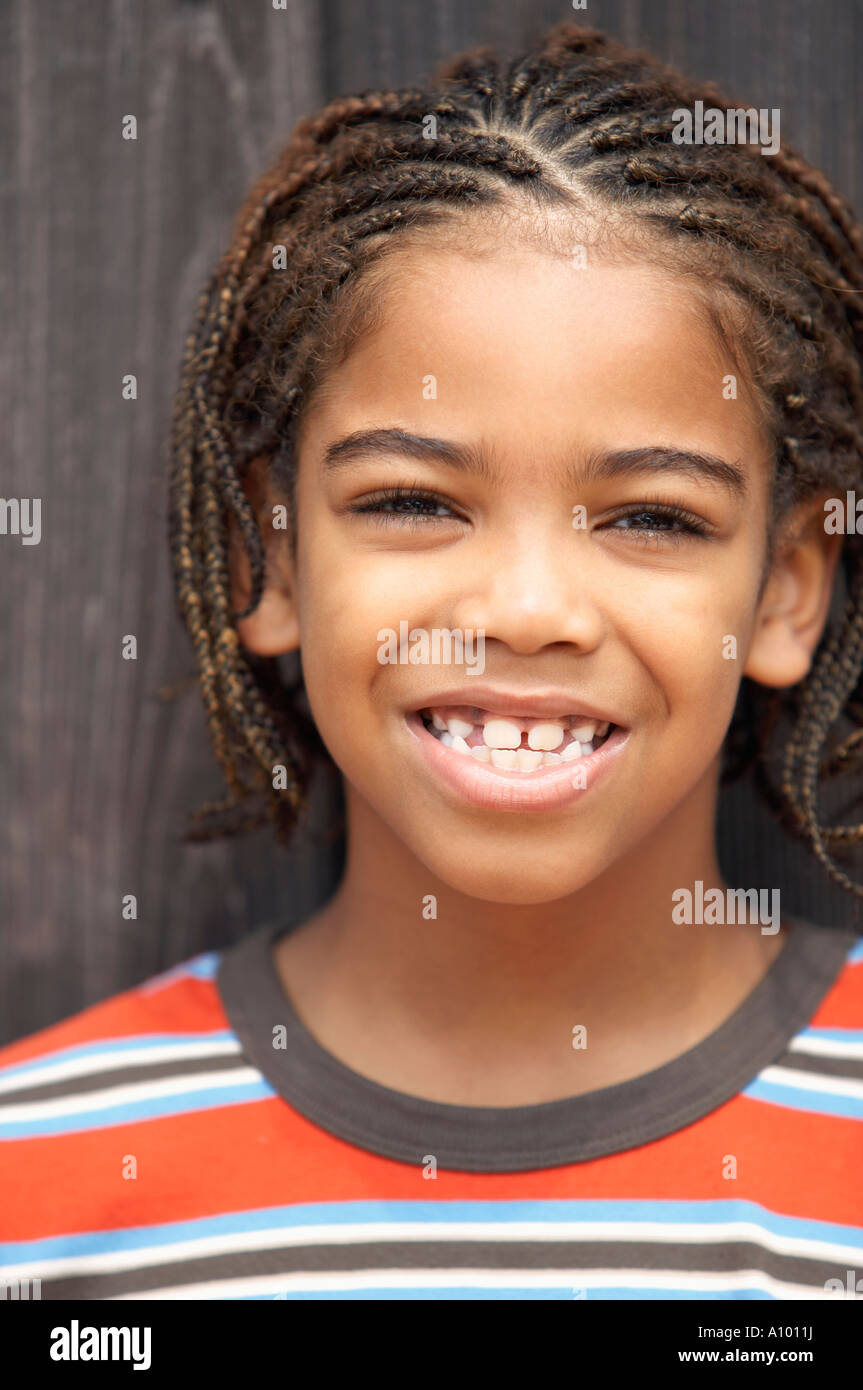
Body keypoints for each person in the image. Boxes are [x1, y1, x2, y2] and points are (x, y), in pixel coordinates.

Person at [2, 20, 862, 1301]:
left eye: (649, 519)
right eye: (411, 501)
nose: (524, 610)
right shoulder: (42, 1184)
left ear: (786, 589)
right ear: (272, 561)